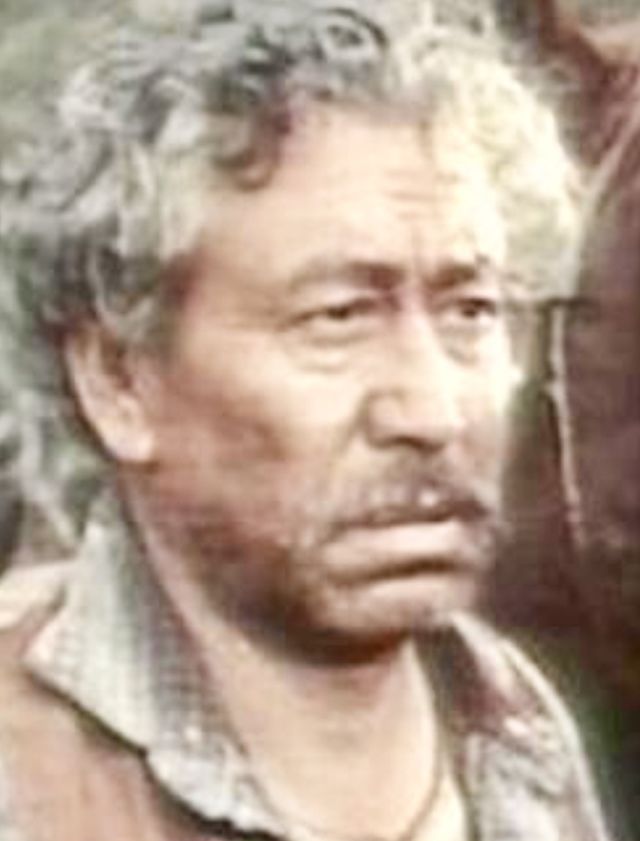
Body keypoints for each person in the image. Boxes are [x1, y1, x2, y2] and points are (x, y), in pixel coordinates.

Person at [0, 1, 610, 839]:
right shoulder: (22, 766)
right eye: (339, 317)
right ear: (119, 380)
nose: (432, 411)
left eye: (471, 310)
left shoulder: (514, 723)